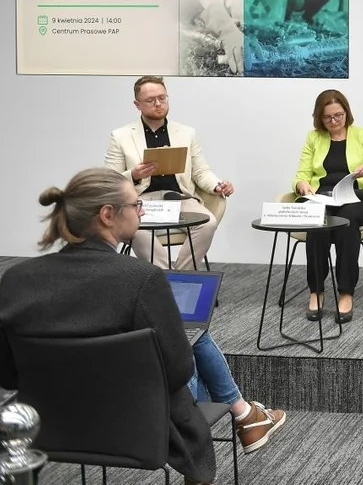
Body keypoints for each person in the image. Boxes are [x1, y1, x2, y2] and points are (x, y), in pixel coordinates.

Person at [0, 169, 286, 485]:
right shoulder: (142, 279)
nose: (142, 211)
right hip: (137, 426)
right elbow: (178, 371)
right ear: (107, 215)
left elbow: (8, 374)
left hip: (46, 424)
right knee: (193, 341)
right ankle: (244, 413)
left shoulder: (16, 279)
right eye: (136, 204)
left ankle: (247, 413)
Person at [105, 76, 234, 270]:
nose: (158, 104)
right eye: (150, 100)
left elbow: (201, 171)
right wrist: (134, 175)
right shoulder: (121, 136)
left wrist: (217, 185)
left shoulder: (186, 133)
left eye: (162, 98)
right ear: (137, 105)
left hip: (179, 198)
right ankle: (164, 276)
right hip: (141, 201)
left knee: (208, 223)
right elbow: (109, 181)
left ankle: (181, 276)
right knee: (136, 228)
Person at [293, 89, 363, 323]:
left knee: (347, 219)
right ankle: (316, 291)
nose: (333, 121)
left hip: (357, 197)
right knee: (318, 220)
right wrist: (302, 184)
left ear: (346, 113)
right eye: (327, 117)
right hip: (323, 197)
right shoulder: (314, 138)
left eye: (338, 115)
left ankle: (346, 292)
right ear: (319, 117)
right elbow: (301, 175)